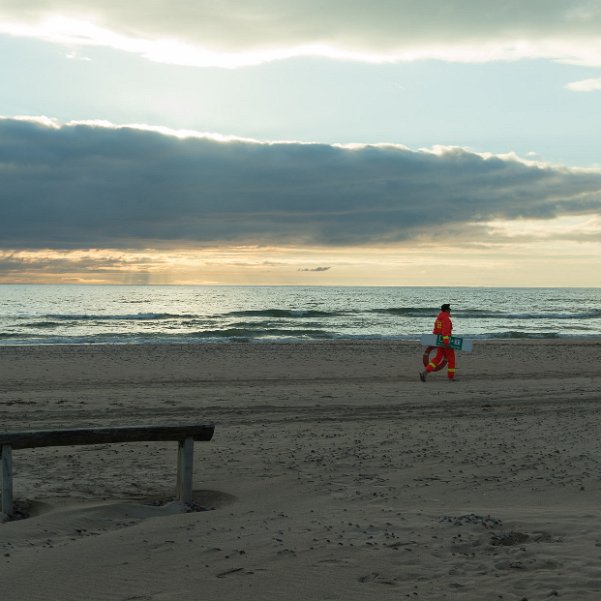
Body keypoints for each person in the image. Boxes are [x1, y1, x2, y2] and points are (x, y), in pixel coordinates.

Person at [420, 303, 456, 382]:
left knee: (437, 358)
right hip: (445, 342)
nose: (450, 311)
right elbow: (445, 332)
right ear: (446, 310)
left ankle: (425, 372)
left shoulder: (438, 319)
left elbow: (435, 331)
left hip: (439, 341)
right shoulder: (446, 319)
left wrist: (436, 341)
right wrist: (446, 342)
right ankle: (451, 377)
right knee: (451, 359)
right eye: (449, 310)